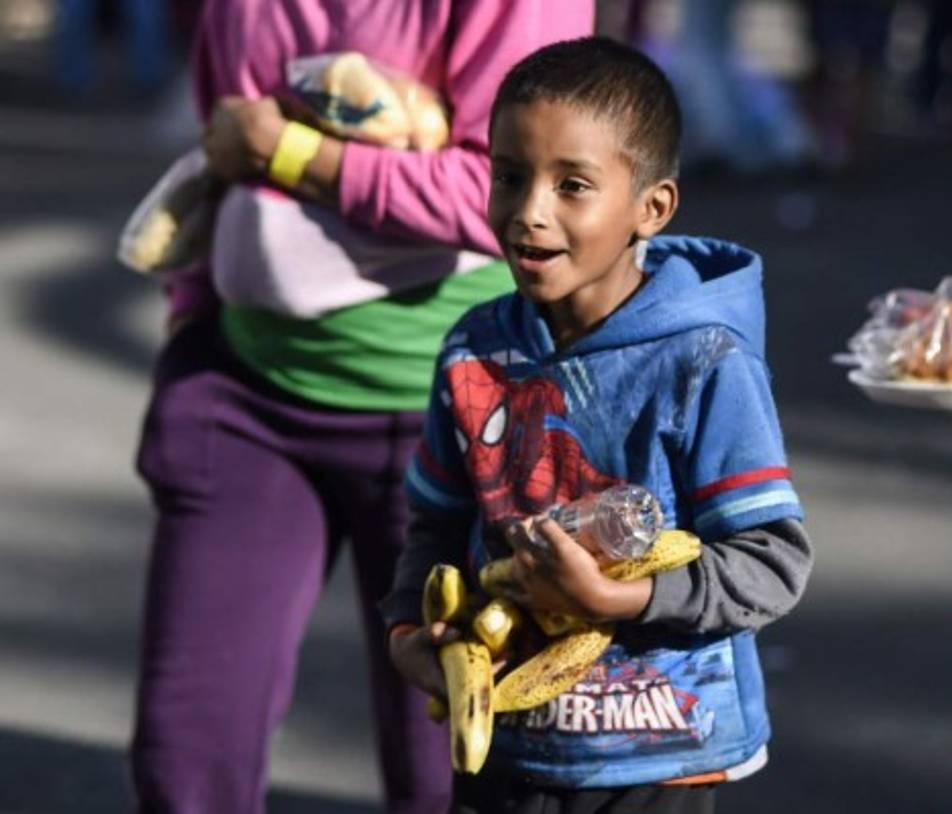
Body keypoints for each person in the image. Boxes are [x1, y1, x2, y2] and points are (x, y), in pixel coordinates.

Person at [129, 2, 594, 812]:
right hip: (249, 398)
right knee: (184, 765)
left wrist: (294, 154)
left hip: (463, 428)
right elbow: (224, 143)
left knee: (450, 778)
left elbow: (523, 189)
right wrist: (192, 316)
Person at [381, 36, 813, 814]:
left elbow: (771, 562)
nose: (529, 212)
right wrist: (412, 630)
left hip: (661, 760)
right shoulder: (475, 350)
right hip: (504, 744)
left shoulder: (703, 360)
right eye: (509, 176)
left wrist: (623, 599)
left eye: (572, 185)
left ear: (653, 208)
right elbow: (437, 523)